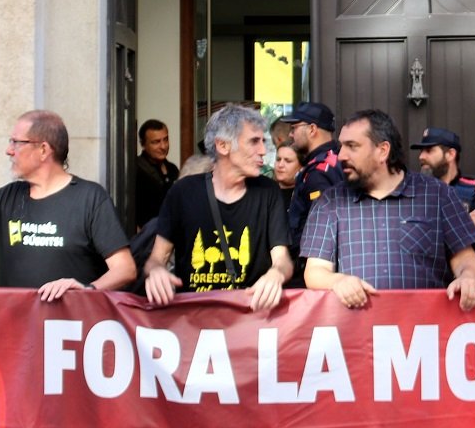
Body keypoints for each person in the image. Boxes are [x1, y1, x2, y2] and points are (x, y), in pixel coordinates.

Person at [0, 110, 135, 301]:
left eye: (16, 142)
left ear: (43, 150)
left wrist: (87, 290)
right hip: (15, 336)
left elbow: (124, 269)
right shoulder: (6, 197)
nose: (9, 150)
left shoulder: (90, 198)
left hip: (70, 337)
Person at [301, 110, 475, 312]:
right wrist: (337, 281)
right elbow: (315, 271)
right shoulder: (330, 202)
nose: (341, 155)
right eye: (341, 146)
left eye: (352, 146)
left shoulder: (439, 195)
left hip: (425, 333)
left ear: (383, 150)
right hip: (357, 335)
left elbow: (466, 259)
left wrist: (468, 278)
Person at [142, 104, 292, 312]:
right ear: (223, 146)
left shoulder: (268, 192)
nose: (263, 151)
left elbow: (282, 258)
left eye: (263, 141)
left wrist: (277, 273)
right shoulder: (183, 192)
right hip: (194, 322)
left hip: (250, 320)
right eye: (254, 141)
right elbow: (156, 259)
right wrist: (156, 272)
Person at [279, 102, 342, 244]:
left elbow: (321, 230)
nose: (291, 134)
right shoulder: (335, 158)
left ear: (312, 129)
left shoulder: (319, 172)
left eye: (294, 128)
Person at [415, 127, 475, 236]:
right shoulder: (415, 189)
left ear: (450, 154)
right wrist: (462, 219)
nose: (421, 156)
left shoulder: (473, 189)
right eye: (421, 151)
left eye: (429, 150)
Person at [134, 119, 180, 231]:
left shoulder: (172, 169)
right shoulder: (135, 170)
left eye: (165, 140)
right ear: (143, 144)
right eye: (156, 142)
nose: (163, 146)